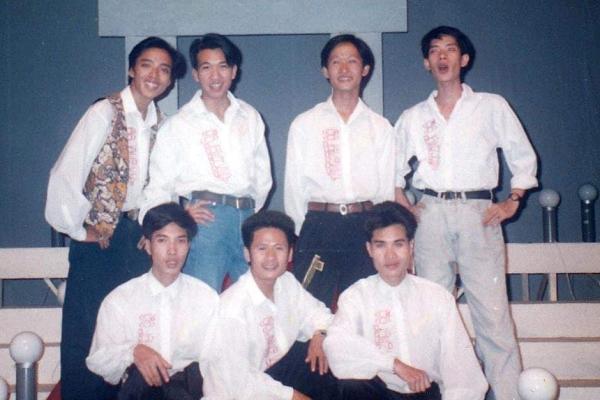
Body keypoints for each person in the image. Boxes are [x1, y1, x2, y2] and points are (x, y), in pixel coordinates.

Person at [394, 26, 538, 399]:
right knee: (432, 316)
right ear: (426, 63)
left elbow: (523, 157)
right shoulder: (414, 116)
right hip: (431, 214)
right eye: (435, 51)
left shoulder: (491, 106)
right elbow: (391, 169)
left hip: (479, 213)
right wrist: (407, 206)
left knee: (492, 316)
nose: (443, 56)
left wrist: (513, 200)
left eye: (450, 49)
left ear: (464, 59)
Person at [45, 36, 186, 400]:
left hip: (137, 238)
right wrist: (79, 229)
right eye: (146, 65)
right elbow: (66, 173)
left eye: (164, 69)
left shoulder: (163, 125)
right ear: (131, 69)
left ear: (170, 79)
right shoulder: (104, 112)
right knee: (88, 331)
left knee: (130, 330)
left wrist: (152, 230)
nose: (154, 75)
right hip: (101, 238)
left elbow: (163, 187)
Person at [140, 33, 272, 292]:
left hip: (247, 218)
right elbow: (159, 184)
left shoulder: (250, 116)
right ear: (195, 74)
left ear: (234, 71)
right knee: (202, 299)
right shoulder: (179, 124)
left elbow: (263, 177)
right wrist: (177, 219)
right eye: (206, 67)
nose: (215, 76)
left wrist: (251, 217)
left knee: (254, 300)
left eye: (222, 66)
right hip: (206, 221)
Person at [324, 201, 488, 400]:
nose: (390, 255)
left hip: (425, 394)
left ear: (411, 246)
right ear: (369, 249)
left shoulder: (437, 297)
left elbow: (462, 373)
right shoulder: (356, 296)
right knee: (351, 385)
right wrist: (394, 365)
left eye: (398, 244)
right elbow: (336, 345)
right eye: (380, 245)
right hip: (379, 394)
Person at [285, 34, 395, 307]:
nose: (344, 69)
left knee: (362, 310)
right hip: (318, 227)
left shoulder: (380, 127)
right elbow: (293, 187)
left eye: (352, 61)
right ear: (325, 70)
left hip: (364, 225)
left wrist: (379, 234)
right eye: (336, 62)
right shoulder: (305, 123)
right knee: (309, 308)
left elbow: (385, 190)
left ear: (365, 69)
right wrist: (300, 234)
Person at [86, 202, 219, 399]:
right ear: (148, 246)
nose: (172, 251)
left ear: (189, 245)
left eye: (180, 241)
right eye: (162, 240)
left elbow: (216, 362)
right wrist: (133, 351)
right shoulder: (120, 299)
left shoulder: (206, 298)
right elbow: (98, 361)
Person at [203, 211, 339, 400]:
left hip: (274, 376)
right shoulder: (232, 310)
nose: (271, 257)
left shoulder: (286, 282)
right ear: (247, 253)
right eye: (262, 248)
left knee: (330, 356)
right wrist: (293, 397)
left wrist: (320, 334)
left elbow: (320, 316)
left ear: (290, 254)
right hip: (238, 393)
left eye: (278, 248)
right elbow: (238, 383)